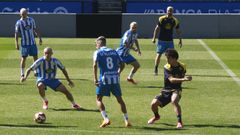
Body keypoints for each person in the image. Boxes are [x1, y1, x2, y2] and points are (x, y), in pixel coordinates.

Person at [147, 49, 192, 128]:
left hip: (177, 89)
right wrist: (184, 79)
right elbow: (171, 80)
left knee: (174, 100)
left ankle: (179, 122)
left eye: (168, 58)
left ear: (174, 58)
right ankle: (156, 116)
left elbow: (182, 75)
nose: (166, 60)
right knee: (153, 104)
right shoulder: (167, 67)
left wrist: (187, 77)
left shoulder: (183, 66)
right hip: (166, 90)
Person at [93, 36, 131, 128]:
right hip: (114, 79)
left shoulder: (97, 52)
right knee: (120, 100)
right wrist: (118, 73)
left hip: (104, 79)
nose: (95, 46)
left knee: (98, 99)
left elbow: (94, 65)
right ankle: (127, 121)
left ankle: (106, 119)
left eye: (96, 44)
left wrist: (95, 79)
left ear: (99, 43)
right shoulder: (114, 51)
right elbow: (122, 64)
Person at [152, 6, 182, 76]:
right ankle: (156, 68)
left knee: (171, 56)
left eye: (171, 11)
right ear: (166, 11)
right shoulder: (162, 19)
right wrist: (154, 38)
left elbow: (178, 31)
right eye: (169, 11)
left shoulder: (175, 20)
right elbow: (157, 29)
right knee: (159, 54)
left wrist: (180, 40)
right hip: (161, 40)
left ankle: (170, 69)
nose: (170, 12)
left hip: (170, 41)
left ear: (173, 12)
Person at [15, 8, 42, 80]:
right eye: (22, 14)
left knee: (35, 57)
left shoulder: (31, 20)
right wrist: (16, 43)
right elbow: (16, 33)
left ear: (27, 13)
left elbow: (35, 29)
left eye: (25, 13)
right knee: (23, 58)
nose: (24, 15)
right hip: (24, 44)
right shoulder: (19, 23)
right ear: (20, 14)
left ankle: (35, 71)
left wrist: (39, 38)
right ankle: (22, 73)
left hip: (32, 42)